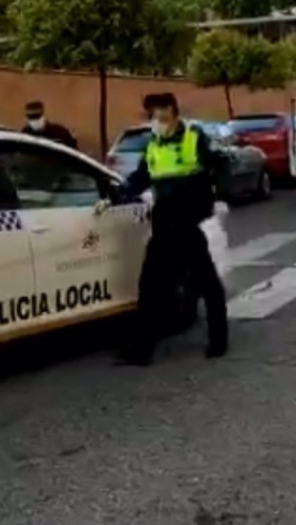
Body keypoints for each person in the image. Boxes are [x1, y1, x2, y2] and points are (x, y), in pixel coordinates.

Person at [97, 92, 228, 366]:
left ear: (173, 113)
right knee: (151, 287)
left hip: (187, 221)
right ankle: (141, 350)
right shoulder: (153, 144)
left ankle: (218, 340)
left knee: (206, 282)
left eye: (163, 116)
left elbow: (219, 165)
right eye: (154, 116)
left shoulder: (194, 137)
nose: (159, 121)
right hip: (164, 220)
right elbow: (141, 177)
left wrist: (214, 196)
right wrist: (114, 197)